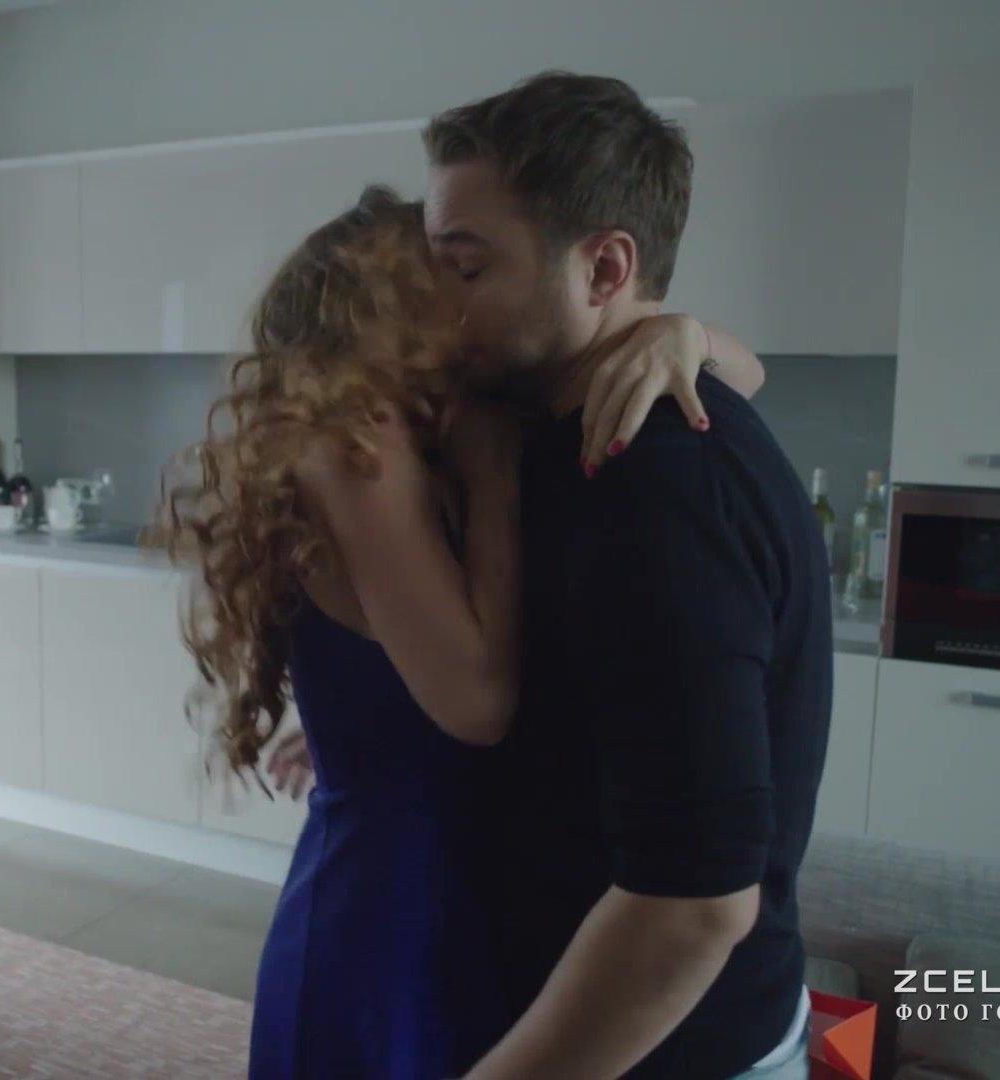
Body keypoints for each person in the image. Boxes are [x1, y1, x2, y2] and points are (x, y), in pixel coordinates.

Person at [163, 184, 768, 1076]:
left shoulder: (431, 430)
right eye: (453, 275)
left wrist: (676, 336)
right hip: (394, 916)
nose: (478, 301)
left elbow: (745, 375)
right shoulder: (357, 441)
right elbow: (478, 705)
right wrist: (493, 478)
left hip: (463, 897)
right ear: (396, 307)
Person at [420, 73, 833, 1080]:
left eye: (465, 268)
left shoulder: (661, 486)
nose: (434, 305)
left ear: (604, 267)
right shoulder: (556, 429)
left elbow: (693, 907)